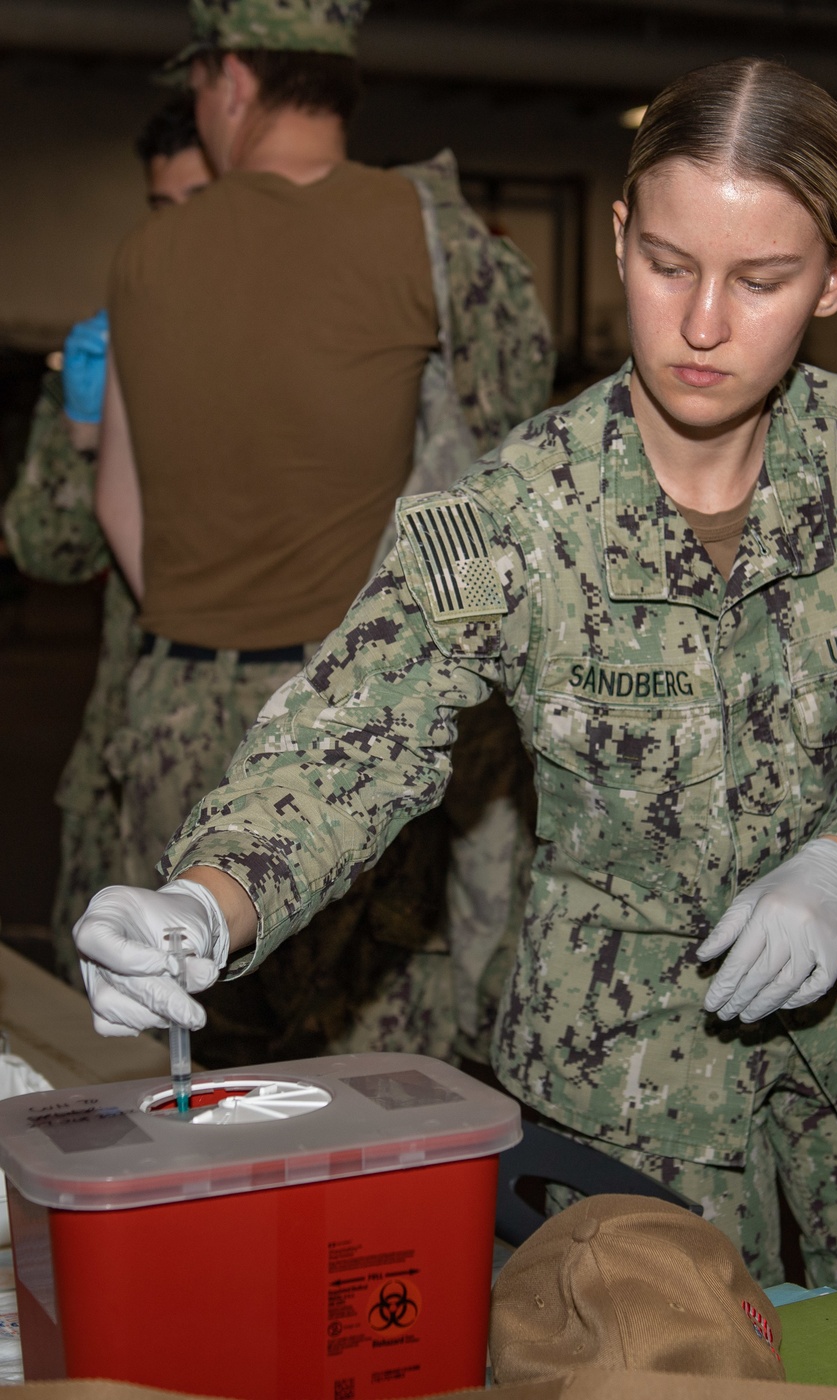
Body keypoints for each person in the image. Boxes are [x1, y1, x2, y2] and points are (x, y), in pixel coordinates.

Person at [74, 57, 837, 1352]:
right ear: (620, 236)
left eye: (763, 280)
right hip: (627, 1044)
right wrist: (204, 900)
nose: (703, 324)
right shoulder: (512, 511)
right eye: (669, 264)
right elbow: (361, 723)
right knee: (652, 1364)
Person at [92, 0, 553, 1064]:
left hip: (176, 712)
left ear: (234, 82)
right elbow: (499, 464)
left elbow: (121, 503)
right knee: (370, 1072)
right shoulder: (422, 231)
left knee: (191, 1060)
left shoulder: (144, 254)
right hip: (345, 729)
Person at [1, 97, 211, 985]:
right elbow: (46, 550)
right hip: (125, 764)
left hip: (263, 767)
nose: (182, 231)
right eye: (164, 208)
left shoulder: (309, 351)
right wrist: (80, 429)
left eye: (205, 199)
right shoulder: (121, 337)